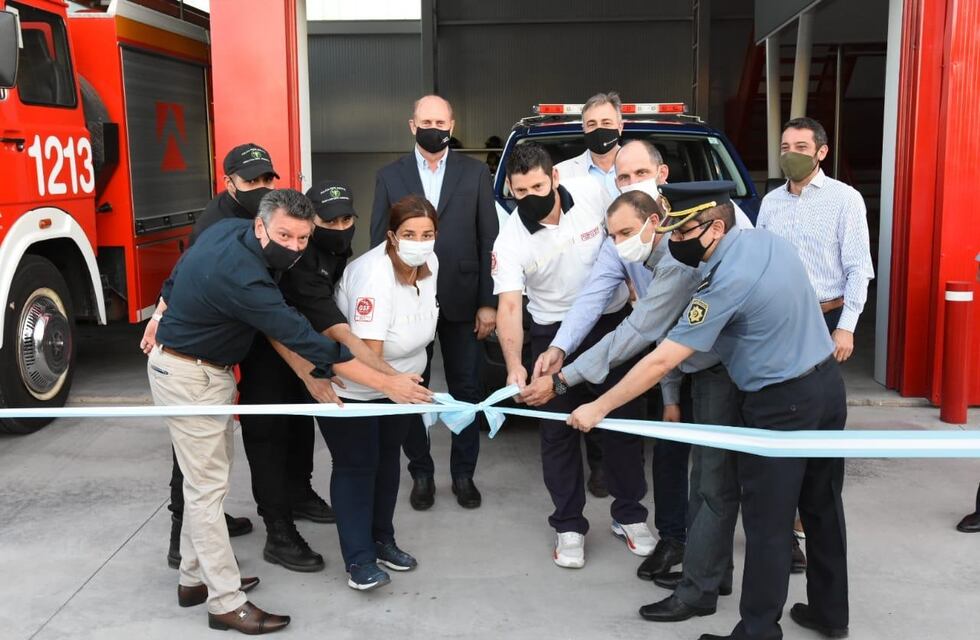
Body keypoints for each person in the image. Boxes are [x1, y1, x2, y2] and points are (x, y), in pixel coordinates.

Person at [567, 181, 849, 640]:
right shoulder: (765, 241)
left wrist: (598, 407)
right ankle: (830, 613)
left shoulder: (723, 282)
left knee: (768, 523)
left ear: (715, 228)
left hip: (781, 404)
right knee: (822, 506)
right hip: (827, 389)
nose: (674, 242)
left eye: (683, 233)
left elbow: (661, 359)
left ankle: (757, 631)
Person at [521, 155, 751, 616]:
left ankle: (704, 582)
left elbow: (640, 333)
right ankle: (693, 556)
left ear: (658, 216)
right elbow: (619, 311)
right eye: (612, 235)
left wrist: (563, 383)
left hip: (726, 370)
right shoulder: (642, 247)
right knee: (684, 465)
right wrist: (562, 349)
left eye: (626, 232)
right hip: (687, 363)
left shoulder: (683, 254)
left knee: (715, 477)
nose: (618, 242)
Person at [146, 188, 354, 634]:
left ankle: (194, 579)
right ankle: (225, 602)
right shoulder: (245, 277)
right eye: (285, 236)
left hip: (203, 372)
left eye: (302, 238)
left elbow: (179, 272)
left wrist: (160, 312)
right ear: (261, 226)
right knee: (206, 492)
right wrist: (376, 376)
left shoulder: (228, 230)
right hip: (191, 376)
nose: (294, 247)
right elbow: (301, 336)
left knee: (207, 484)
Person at [236, 180, 428, 574]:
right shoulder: (301, 262)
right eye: (329, 221)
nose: (340, 229)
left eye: (346, 220)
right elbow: (335, 333)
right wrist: (388, 379)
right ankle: (280, 532)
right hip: (276, 360)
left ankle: (307, 500)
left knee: (304, 439)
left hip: (319, 356)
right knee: (271, 442)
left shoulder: (336, 251)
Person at [494, 142, 651, 569]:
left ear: (555, 177)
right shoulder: (510, 239)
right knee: (557, 432)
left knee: (622, 421)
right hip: (552, 336)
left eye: (538, 187)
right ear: (510, 190)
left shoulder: (592, 193)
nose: (531, 197)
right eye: (520, 191)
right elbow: (509, 306)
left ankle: (630, 515)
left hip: (611, 325)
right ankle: (568, 525)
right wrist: (514, 365)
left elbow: (627, 238)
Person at [143, 142, 286, 570]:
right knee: (191, 451)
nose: (261, 186)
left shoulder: (265, 213)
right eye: (251, 180)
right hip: (201, 353)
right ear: (229, 183)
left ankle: (207, 525)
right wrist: (160, 315)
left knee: (210, 451)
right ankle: (180, 540)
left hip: (237, 335)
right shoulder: (215, 224)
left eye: (267, 178)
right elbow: (182, 275)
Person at [370, 95, 498, 511]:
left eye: (441, 122)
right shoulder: (390, 175)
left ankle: (464, 474)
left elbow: (489, 239)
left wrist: (488, 302)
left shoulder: (474, 173)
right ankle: (421, 473)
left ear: (452, 124)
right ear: (412, 125)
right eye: (426, 122)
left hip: (463, 299)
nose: (434, 128)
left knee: (466, 389)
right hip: (408, 301)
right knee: (411, 389)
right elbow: (378, 241)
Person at [756, 116, 873, 573]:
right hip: (776, 322)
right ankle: (782, 529)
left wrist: (846, 327)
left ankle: (803, 523)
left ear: (821, 152)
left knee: (813, 423)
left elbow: (858, 267)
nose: (791, 153)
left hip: (824, 321)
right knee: (778, 419)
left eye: (801, 146)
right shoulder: (770, 202)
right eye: (785, 146)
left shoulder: (845, 199)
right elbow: (759, 261)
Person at [319, 194, 441, 591]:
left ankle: (382, 541)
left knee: (388, 462)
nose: (419, 242)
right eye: (409, 234)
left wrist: (406, 384)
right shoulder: (373, 275)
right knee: (357, 466)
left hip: (400, 387)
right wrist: (396, 383)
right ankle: (359, 560)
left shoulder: (430, 265)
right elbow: (367, 354)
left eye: (427, 234)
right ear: (391, 236)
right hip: (357, 387)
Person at [550, 90, 626, 497]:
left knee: (618, 384)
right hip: (578, 297)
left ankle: (616, 463)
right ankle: (593, 464)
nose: (600, 130)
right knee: (577, 382)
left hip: (626, 300)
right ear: (582, 129)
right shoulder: (564, 174)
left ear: (621, 125)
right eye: (591, 124)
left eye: (606, 123)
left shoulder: (636, 167)